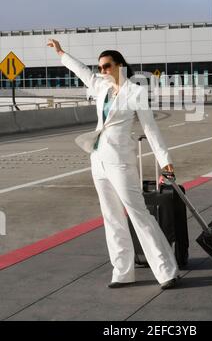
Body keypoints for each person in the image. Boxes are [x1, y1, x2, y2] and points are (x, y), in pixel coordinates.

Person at [47, 39, 179, 290]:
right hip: (98, 159)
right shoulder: (102, 87)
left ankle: (166, 270)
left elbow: (151, 129)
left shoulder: (136, 92)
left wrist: (165, 161)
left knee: (139, 214)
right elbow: (82, 72)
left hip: (121, 162)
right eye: (101, 67)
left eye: (107, 66)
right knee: (111, 218)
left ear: (120, 65)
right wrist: (62, 53)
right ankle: (122, 271)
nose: (103, 71)